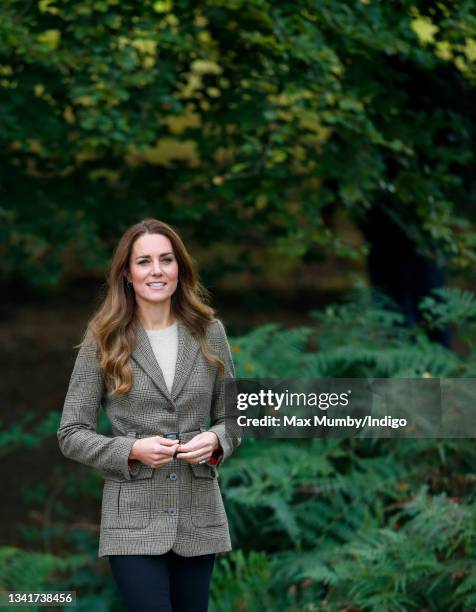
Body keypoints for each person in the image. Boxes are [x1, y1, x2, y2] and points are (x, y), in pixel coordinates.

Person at [57, 218, 242, 612]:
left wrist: (216, 440)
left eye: (166, 259)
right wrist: (131, 449)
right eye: (144, 261)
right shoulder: (103, 339)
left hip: (198, 516)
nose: (156, 271)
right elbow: (71, 431)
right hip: (133, 522)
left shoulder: (211, 333)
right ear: (127, 273)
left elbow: (235, 418)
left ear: (180, 268)